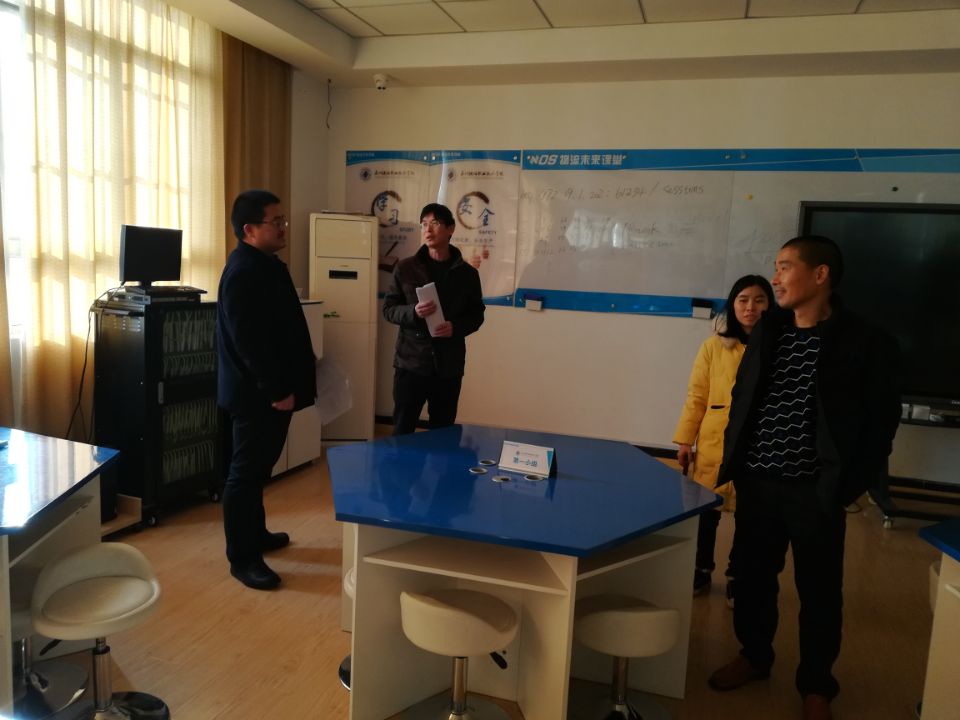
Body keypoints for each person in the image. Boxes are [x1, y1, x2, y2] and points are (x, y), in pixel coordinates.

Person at [708, 236, 901, 720]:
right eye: (775, 267)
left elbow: (881, 423)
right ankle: (755, 656)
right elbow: (744, 396)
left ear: (820, 275)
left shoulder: (866, 340)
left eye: (785, 267)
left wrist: (847, 486)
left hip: (816, 491)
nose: (775, 279)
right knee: (752, 579)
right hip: (758, 481)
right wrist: (736, 460)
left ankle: (817, 685)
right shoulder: (769, 329)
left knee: (819, 591)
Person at [217, 190, 316, 590]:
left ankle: (256, 534)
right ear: (250, 229)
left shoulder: (266, 264)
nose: (283, 227)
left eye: (282, 220)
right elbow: (249, 344)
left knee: (258, 469)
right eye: (276, 222)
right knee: (244, 474)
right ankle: (242, 558)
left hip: (271, 391)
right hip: (257, 395)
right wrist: (277, 390)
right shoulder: (243, 271)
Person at [673, 275, 774, 605]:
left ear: (770, 305)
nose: (750, 307)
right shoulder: (713, 346)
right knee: (706, 511)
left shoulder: (777, 346)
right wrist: (685, 440)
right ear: (733, 305)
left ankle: (737, 575)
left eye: (759, 300)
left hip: (758, 443)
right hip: (715, 441)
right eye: (743, 300)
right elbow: (696, 396)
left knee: (749, 516)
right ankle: (701, 569)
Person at [382, 203, 485, 435]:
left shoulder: (467, 274)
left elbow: (477, 315)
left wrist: (455, 327)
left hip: (448, 366)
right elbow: (388, 309)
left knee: (443, 433)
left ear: (450, 229)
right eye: (424, 224)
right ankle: (403, 463)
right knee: (403, 430)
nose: (427, 230)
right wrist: (414, 312)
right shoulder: (405, 268)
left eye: (435, 223)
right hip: (411, 364)